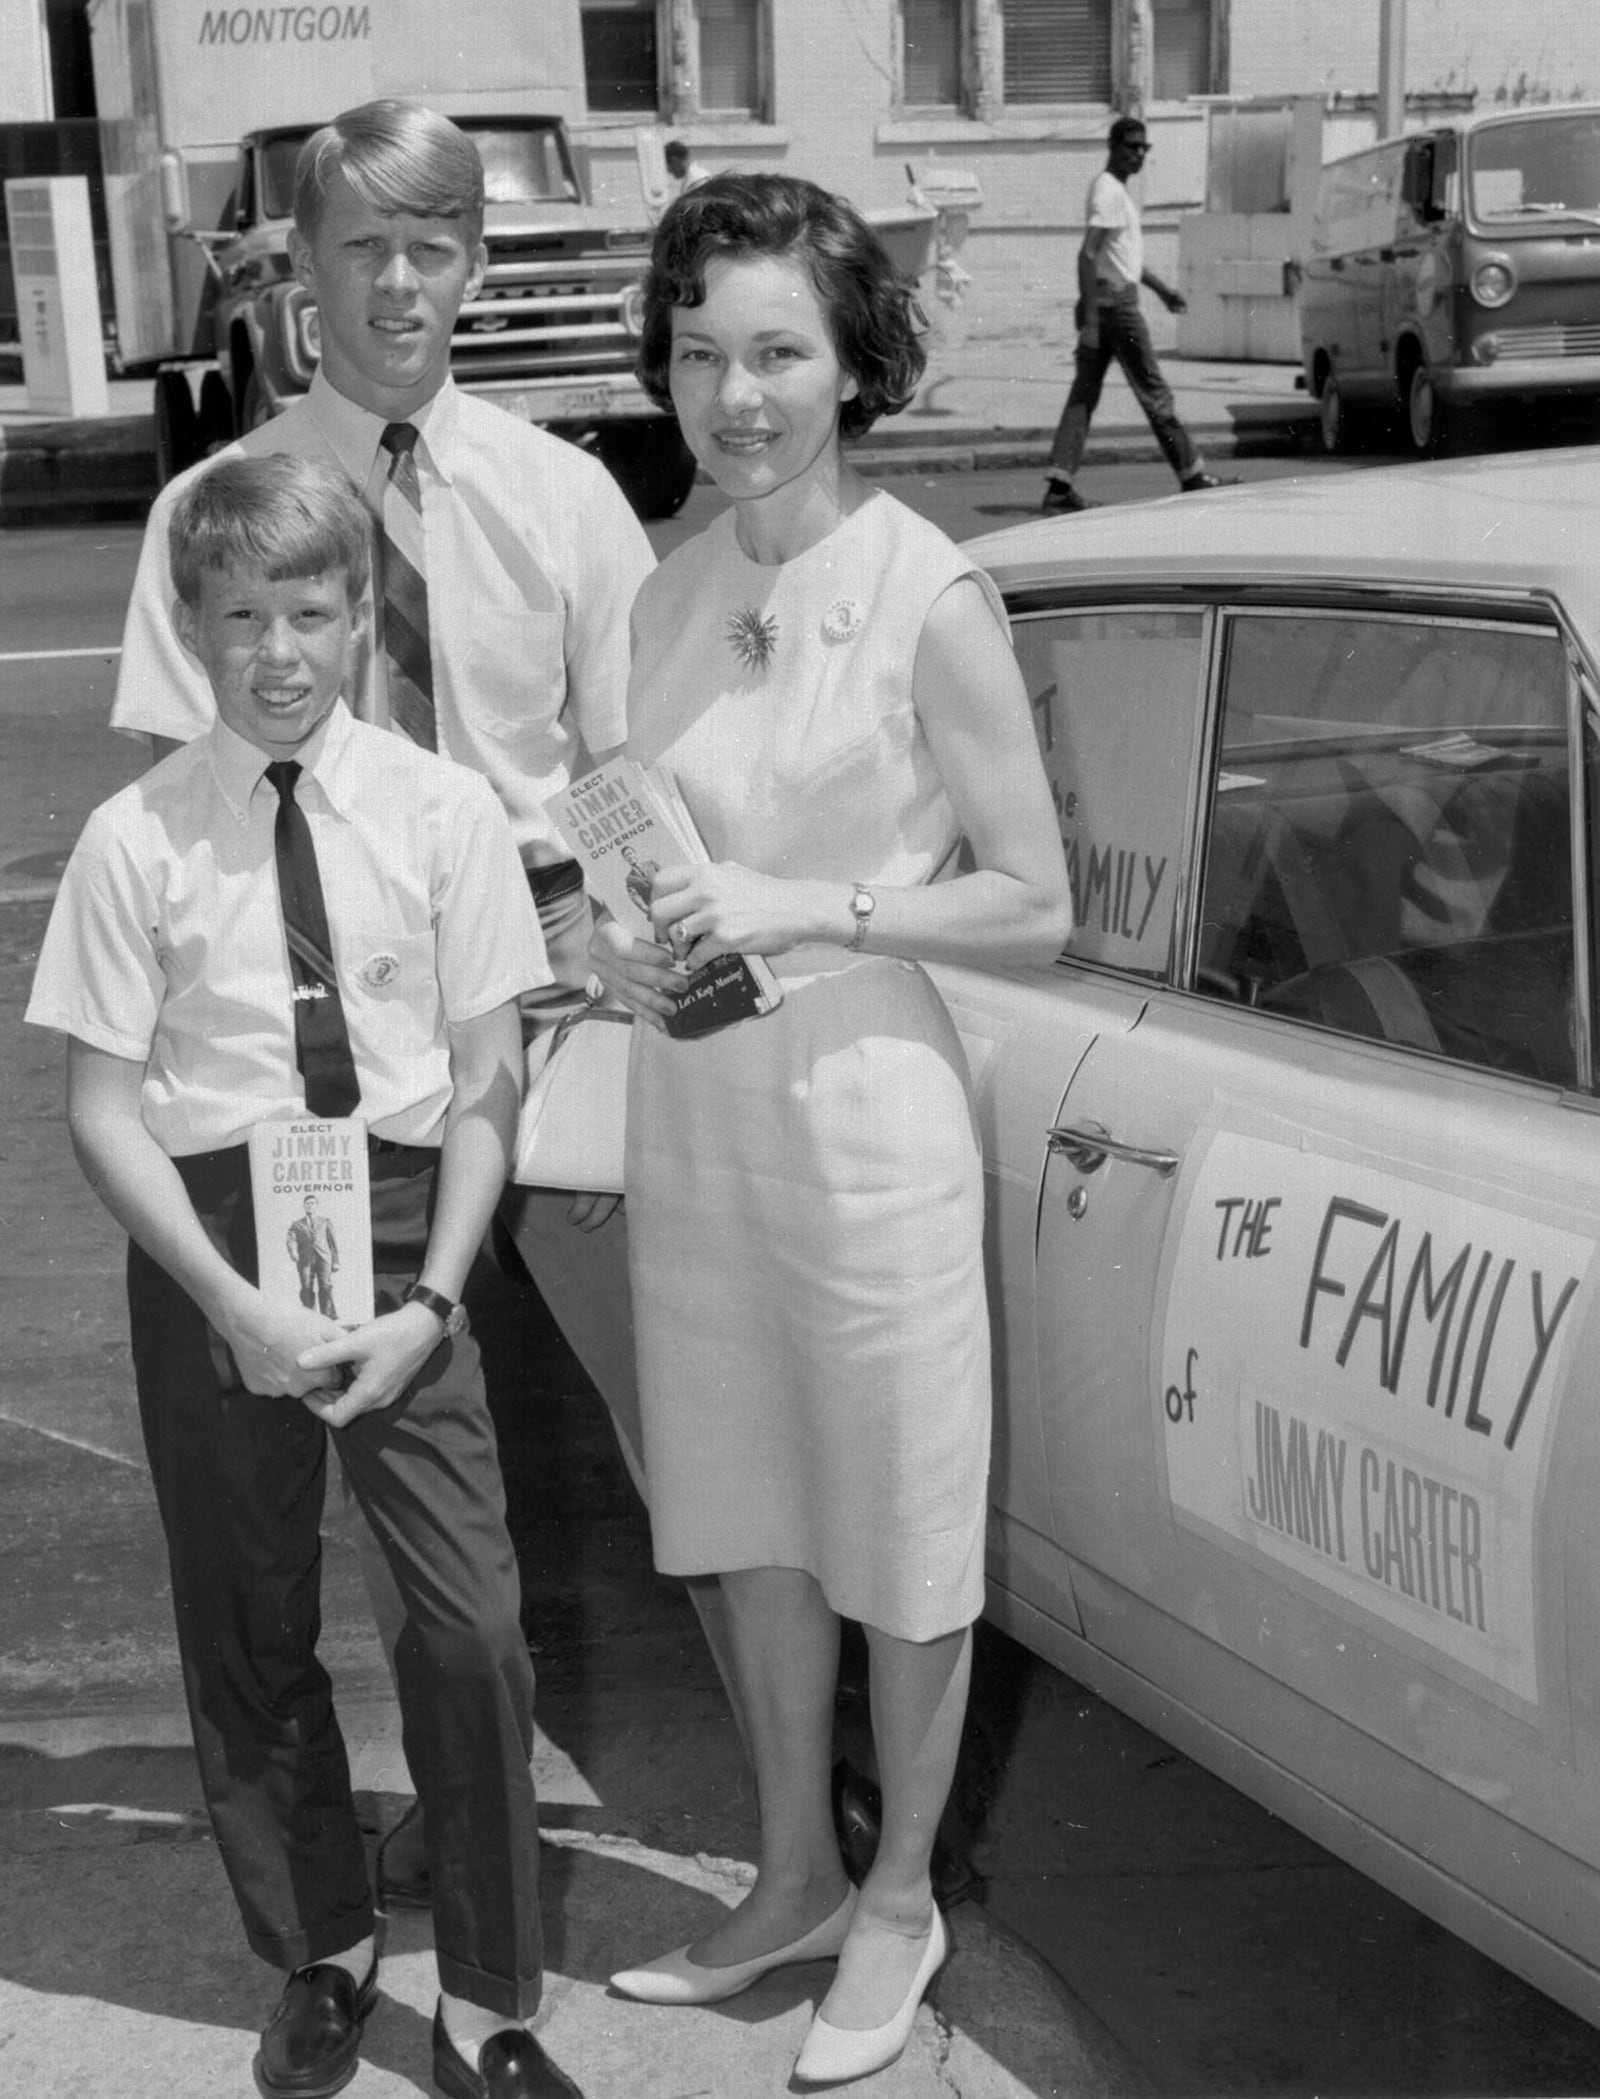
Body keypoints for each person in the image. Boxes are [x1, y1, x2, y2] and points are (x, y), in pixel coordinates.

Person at [104, 96, 748, 1909]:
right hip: (352, 1066)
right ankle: (451, 1816)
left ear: (475, 264)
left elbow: (629, 774)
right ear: (296, 276)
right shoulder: (212, 514)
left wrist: (660, 962)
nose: (399, 280)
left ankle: (787, 1790)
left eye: (432, 243)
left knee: (674, 1421)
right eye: (361, 246)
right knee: (385, 1452)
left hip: (565, 1004)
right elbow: (191, 814)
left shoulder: (559, 497)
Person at [595, 173, 1073, 2086]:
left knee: (894, 1516)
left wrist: (825, 909)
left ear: (850, 360)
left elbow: (1032, 900)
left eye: (778, 348)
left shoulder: (929, 590)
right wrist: (620, 956)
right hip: (700, 1101)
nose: (739, 393)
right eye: (702, 351)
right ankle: (789, 1866)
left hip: (870, 1102)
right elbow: (641, 855)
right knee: (753, 1504)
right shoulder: (662, 592)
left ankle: (896, 1899)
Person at [27, 454, 582, 2099]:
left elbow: (490, 1078)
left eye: (313, 609)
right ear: (194, 626)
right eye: (244, 613)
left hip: (407, 1227)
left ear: (361, 617)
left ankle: (489, 1990)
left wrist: (433, 1299)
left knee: (470, 1624)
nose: (280, 646)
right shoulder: (137, 839)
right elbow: (100, 1107)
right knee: (248, 1617)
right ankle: (320, 1946)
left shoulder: (442, 810)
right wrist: (231, 1298)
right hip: (217, 1243)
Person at [1041, 115, 1223, 514]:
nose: (1139, 154)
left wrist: (1162, 291)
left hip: (1110, 305)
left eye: (1144, 148)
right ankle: (1192, 474)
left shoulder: (1115, 193)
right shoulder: (1108, 192)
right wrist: (1090, 321)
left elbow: (1121, 261)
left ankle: (1059, 485)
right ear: (1113, 147)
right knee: (1154, 392)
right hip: (1116, 313)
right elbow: (1087, 255)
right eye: (1132, 146)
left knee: (1083, 396)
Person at [287, 1192, 340, 1316]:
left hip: (324, 1259)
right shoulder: (297, 1224)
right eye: (307, 1204)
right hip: (305, 1260)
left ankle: (328, 1317)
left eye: (312, 1203)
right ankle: (310, 1317)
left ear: (316, 1205)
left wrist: (336, 1261)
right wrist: (293, 1252)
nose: (309, 1206)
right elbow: (291, 1239)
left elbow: (333, 1242)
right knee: (306, 1288)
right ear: (304, 1206)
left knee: (326, 1287)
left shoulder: (325, 1221)